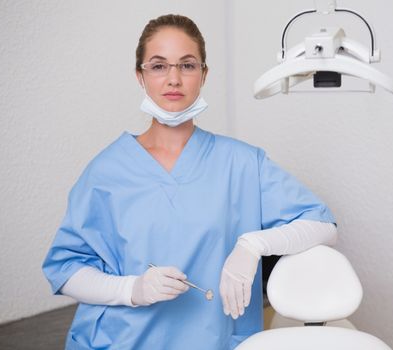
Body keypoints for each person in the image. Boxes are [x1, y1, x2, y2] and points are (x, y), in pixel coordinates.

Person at [42, 14, 337, 350]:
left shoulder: (241, 163)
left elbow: (323, 225)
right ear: (140, 76)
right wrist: (132, 290)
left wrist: (253, 245)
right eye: (158, 66)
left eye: (187, 65)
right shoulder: (107, 171)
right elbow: (66, 269)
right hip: (120, 340)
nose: (173, 79)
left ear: (204, 74)